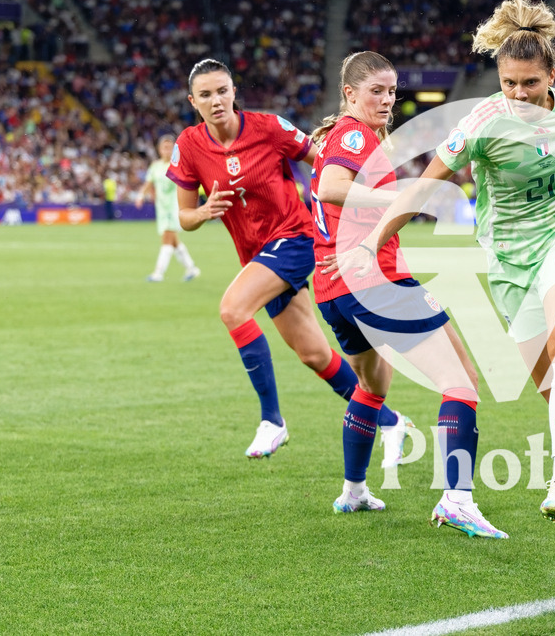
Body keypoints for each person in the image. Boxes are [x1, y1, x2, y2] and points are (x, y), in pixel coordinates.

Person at [327, 0, 555, 521]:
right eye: (508, 83)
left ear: (551, 77)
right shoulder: (481, 123)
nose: (518, 94)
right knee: (544, 376)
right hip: (507, 258)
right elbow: (421, 190)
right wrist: (369, 239)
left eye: (530, 83)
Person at [167, 58, 411, 463]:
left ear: (233, 92)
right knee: (314, 355)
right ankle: (390, 421)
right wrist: (206, 210)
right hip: (256, 256)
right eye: (206, 95)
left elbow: (324, 158)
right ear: (193, 101)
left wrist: (351, 202)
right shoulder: (189, 146)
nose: (217, 100)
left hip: (295, 239)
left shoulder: (268, 127)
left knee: (233, 309)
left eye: (223, 90)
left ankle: (271, 421)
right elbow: (184, 218)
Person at [310, 51, 507, 539]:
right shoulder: (353, 134)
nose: (387, 99)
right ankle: (456, 499)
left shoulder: (356, 138)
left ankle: (353, 491)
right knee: (462, 380)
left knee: (372, 387)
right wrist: (403, 198)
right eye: (376, 91)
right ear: (350, 94)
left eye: (392, 91)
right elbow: (332, 189)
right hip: (376, 281)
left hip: (333, 290)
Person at [134, 134, 201, 282]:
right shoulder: (155, 166)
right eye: (164, 147)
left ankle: (158, 273)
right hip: (162, 208)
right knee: (174, 240)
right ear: (159, 149)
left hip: (173, 207)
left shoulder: (177, 165)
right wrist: (140, 196)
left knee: (167, 238)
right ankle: (192, 268)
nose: (167, 150)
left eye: (170, 147)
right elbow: (148, 183)